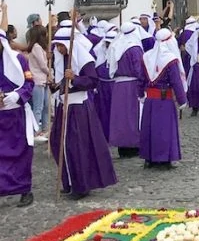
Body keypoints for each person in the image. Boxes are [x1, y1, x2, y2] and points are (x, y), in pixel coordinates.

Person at [50, 27, 117, 199]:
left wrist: (75, 78)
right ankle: (68, 181)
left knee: (76, 147)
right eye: (56, 46)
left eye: (60, 46)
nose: (58, 49)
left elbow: (92, 81)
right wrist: (54, 85)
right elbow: (60, 83)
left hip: (77, 108)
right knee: (58, 144)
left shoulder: (84, 59)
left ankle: (81, 185)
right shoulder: (60, 59)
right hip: (62, 106)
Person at [140, 28, 188, 169]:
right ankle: (163, 159)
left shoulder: (147, 57)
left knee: (150, 128)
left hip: (150, 100)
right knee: (163, 130)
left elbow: (141, 78)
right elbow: (176, 81)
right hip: (164, 99)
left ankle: (149, 158)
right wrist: (182, 100)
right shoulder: (170, 60)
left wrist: (140, 93)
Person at [0, 21, 35, 207]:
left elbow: (30, 84)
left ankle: (24, 189)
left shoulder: (19, 60)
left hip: (15, 116)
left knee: (20, 153)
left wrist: (15, 96)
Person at [108, 22, 146, 158]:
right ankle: (132, 145)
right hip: (132, 85)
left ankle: (122, 146)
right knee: (131, 117)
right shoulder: (134, 48)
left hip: (119, 85)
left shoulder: (116, 45)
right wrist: (144, 84)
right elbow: (139, 69)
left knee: (121, 118)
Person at [26, 26, 51, 142]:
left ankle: (45, 129)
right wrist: (50, 74)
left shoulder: (40, 48)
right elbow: (42, 65)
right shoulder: (36, 47)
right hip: (38, 80)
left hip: (44, 80)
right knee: (38, 107)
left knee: (46, 106)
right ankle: (36, 131)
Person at [93, 29, 116, 141]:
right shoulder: (99, 52)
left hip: (114, 86)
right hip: (102, 86)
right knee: (103, 111)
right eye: (107, 43)